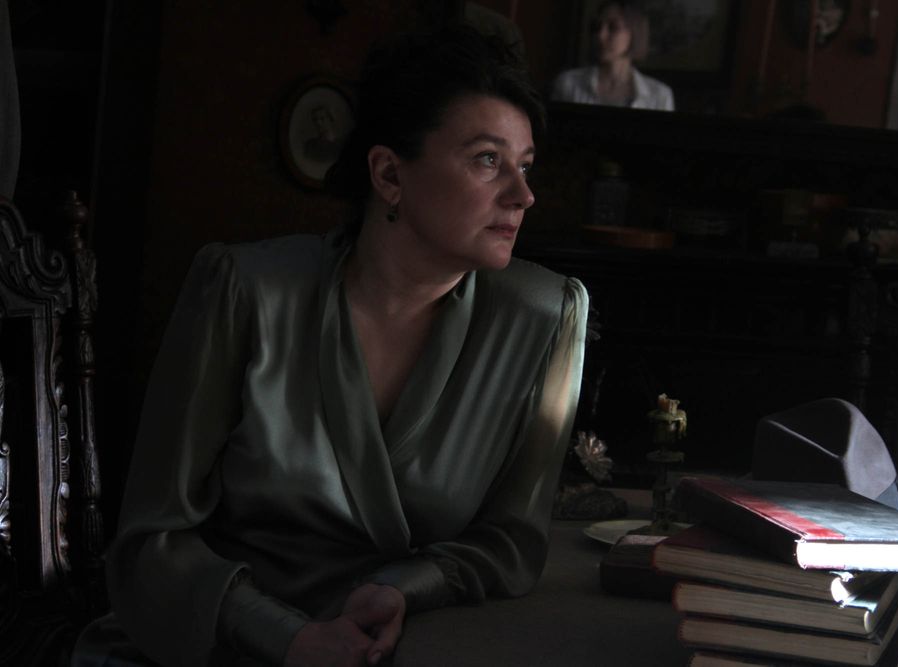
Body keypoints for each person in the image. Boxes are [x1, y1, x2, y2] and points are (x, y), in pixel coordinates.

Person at [97, 22, 589, 667]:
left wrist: (400, 589)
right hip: (213, 645)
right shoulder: (245, 291)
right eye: (487, 160)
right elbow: (151, 542)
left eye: (524, 165)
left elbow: (509, 541)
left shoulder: (543, 316)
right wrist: (288, 637)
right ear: (388, 173)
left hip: (390, 646)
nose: (523, 195)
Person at [550, 0, 674, 111]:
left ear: (634, 33)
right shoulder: (568, 83)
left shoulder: (660, 95)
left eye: (613, 28)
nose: (600, 36)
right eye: (597, 27)